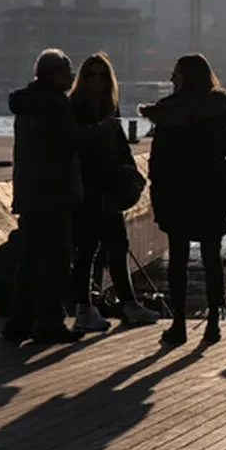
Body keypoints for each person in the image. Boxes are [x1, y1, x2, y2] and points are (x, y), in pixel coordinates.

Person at [141, 53, 226, 347]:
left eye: (175, 74)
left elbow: (158, 158)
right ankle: (213, 323)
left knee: (178, 259)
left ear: (184, 77)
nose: (172, 79)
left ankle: (179, 324)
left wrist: (158, 189)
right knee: (212, 258)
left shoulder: (168, 111)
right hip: (212, 192)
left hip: (177, 193)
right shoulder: (222, 109)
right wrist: (223, 174)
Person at [68, 53, 160, 332]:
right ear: (83, 79)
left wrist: (129, 171)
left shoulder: (109, 107)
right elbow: (75, 144)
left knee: (118, 246)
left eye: (102, 75)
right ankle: (84, 308)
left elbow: (119, 146)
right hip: (88, 189)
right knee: (87, 249)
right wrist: (100, 130)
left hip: (109, 186)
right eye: (92, 75)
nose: (97, 80)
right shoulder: (76, 108)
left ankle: (128, 304)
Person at [4, 49, 85, 345]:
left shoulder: (26, 103)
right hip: (54, 192)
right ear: (53, 73)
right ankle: (50, 322)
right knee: (56, 259)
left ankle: (20, 321)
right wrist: (100, 133)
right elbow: (68, 141)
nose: (72, 75)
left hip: (29, 191)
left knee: (30, 258)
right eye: (67, 69)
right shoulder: (54, 103)